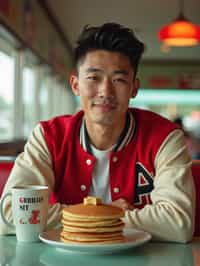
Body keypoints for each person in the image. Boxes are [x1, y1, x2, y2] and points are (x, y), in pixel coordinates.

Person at [0, 23, 195, 242]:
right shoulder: (49, 136)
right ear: (75, 85)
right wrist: (106, 212)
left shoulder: (165, 137)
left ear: (134, 88)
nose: (105, 91)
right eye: (94, 78)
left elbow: (179, 223)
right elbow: (10, 212)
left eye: (119, 80)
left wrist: (90, 218)